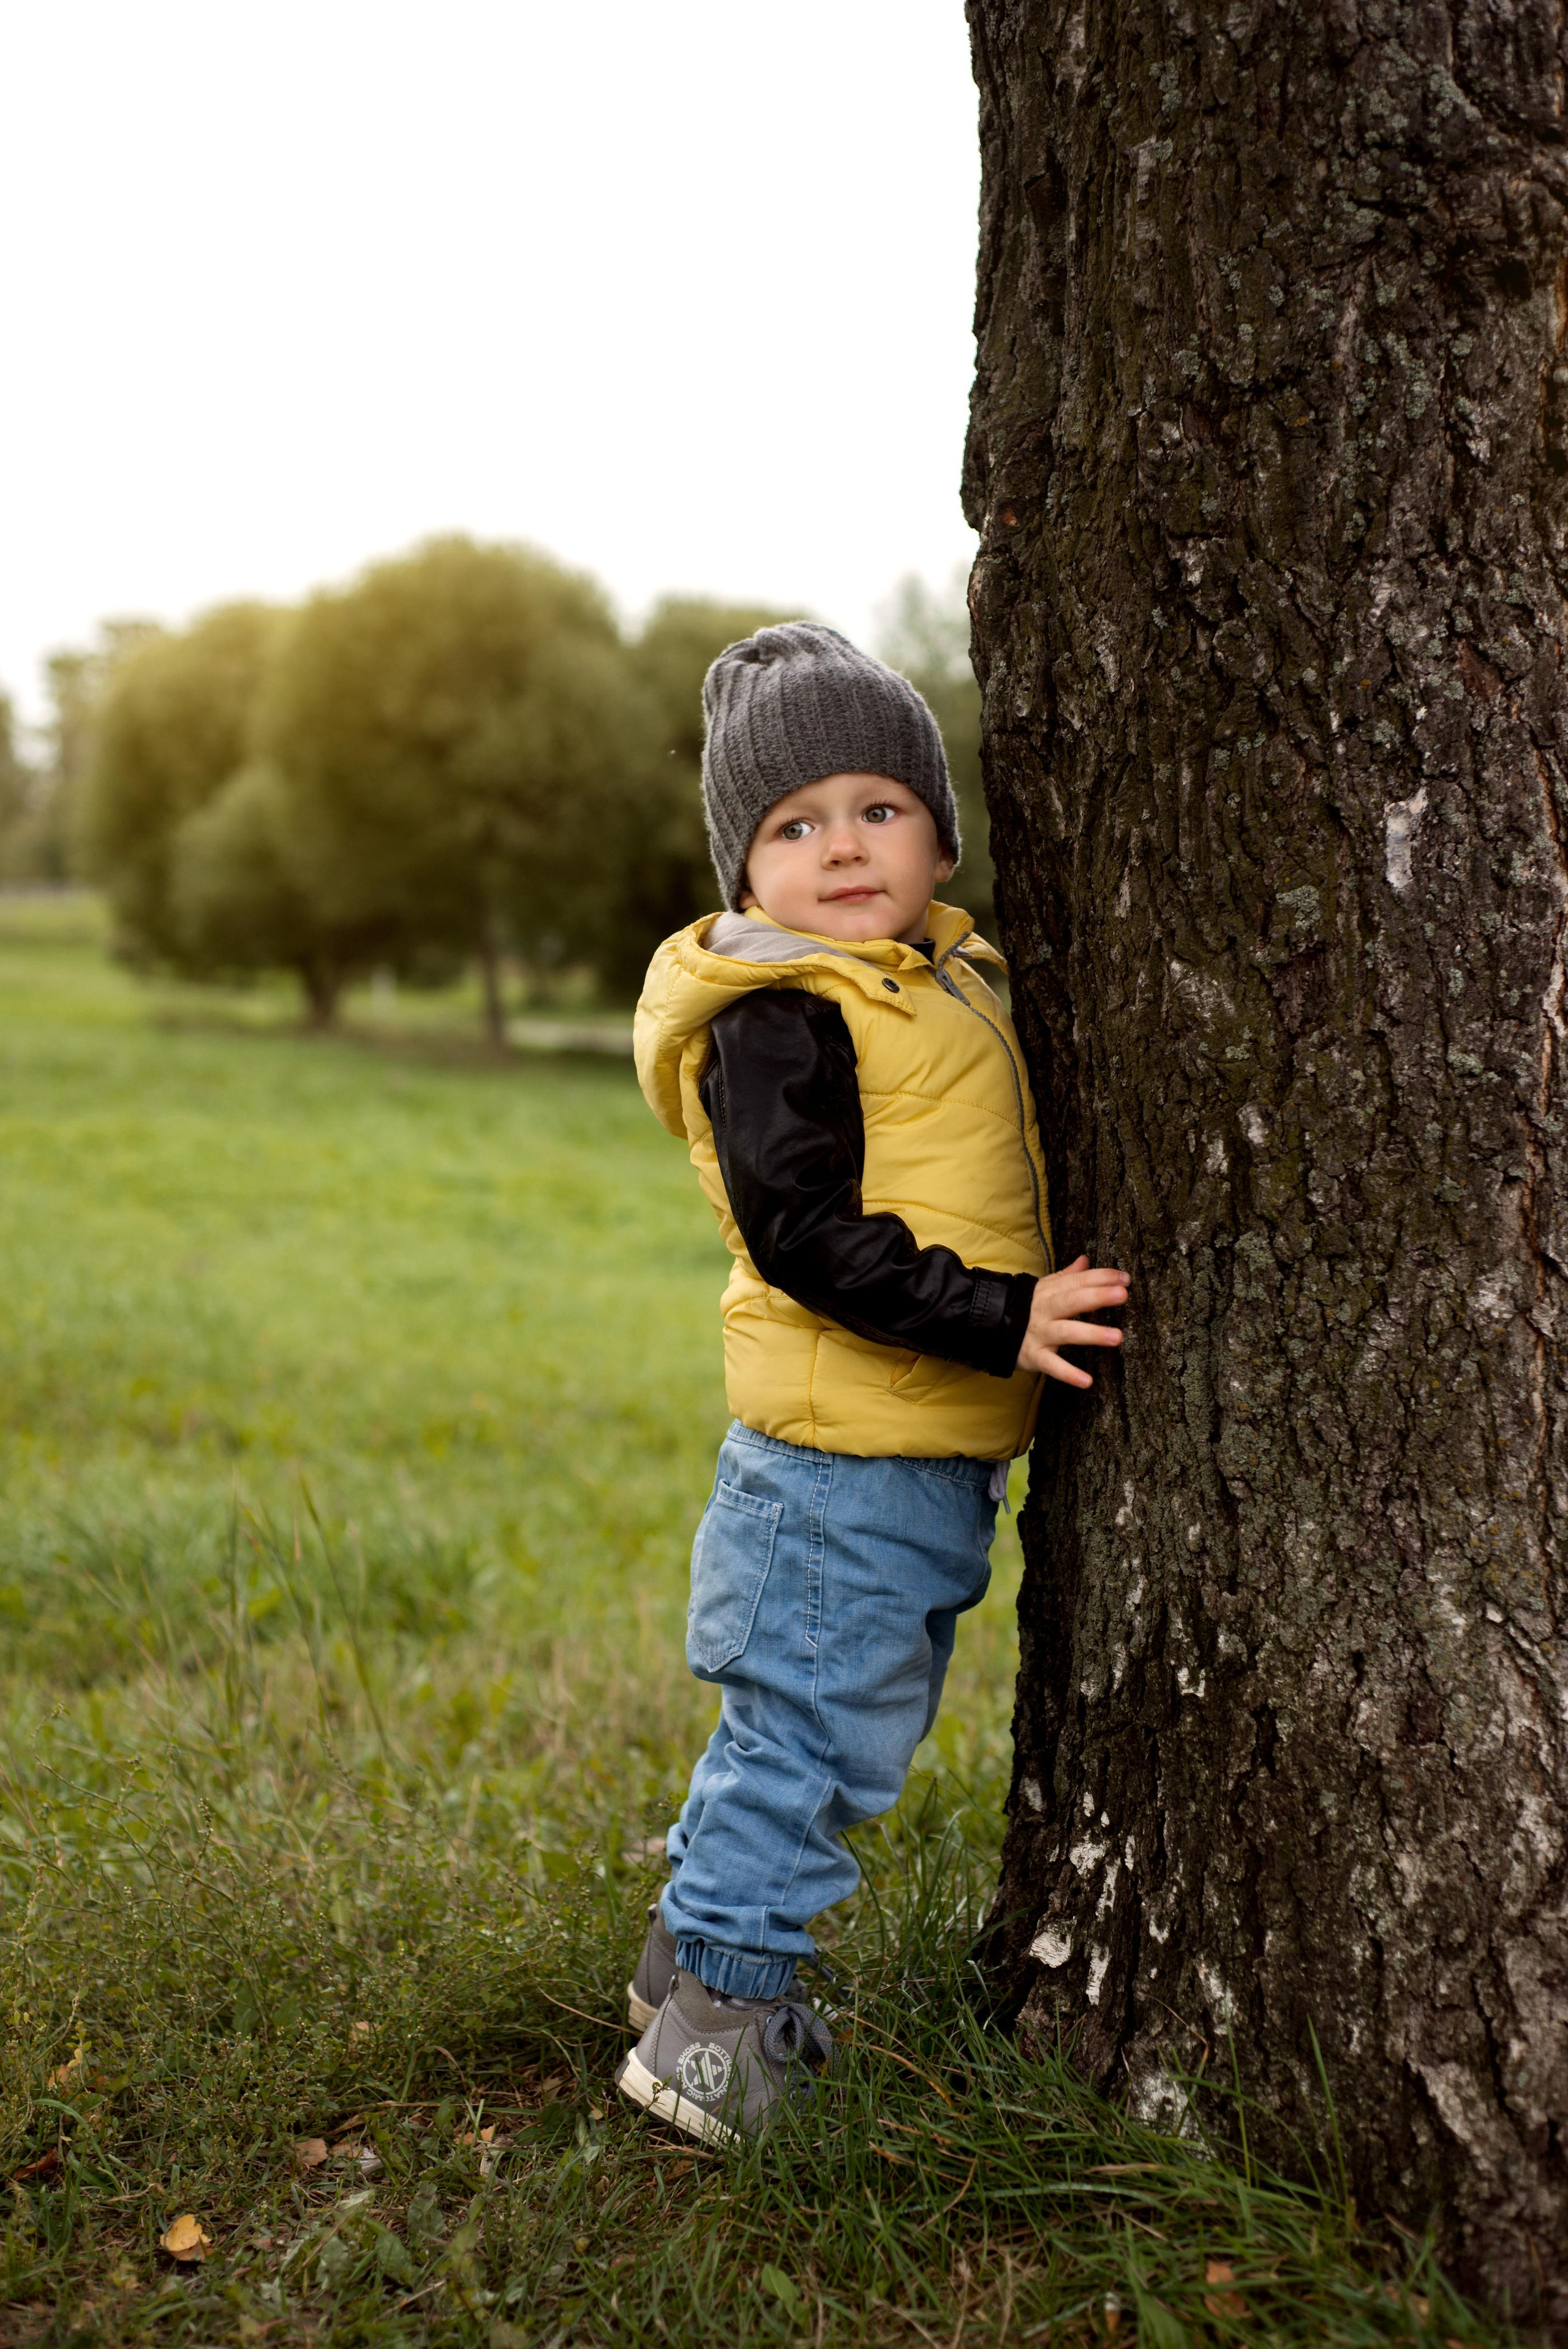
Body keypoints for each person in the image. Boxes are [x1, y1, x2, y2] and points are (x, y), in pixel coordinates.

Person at [619, 622, 1128, 2142]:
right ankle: (715, 2033)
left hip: (898, 1450)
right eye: (792, 824)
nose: (840, 846)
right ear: (743, 867)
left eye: (877, 807)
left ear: (937, 828)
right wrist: (996, 1315)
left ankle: (683, 1976)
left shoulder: (930, 975)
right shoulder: (783, 1012)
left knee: (802, 1730)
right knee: (814, 1741)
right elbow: (805, 1238)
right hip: (843, 1453)